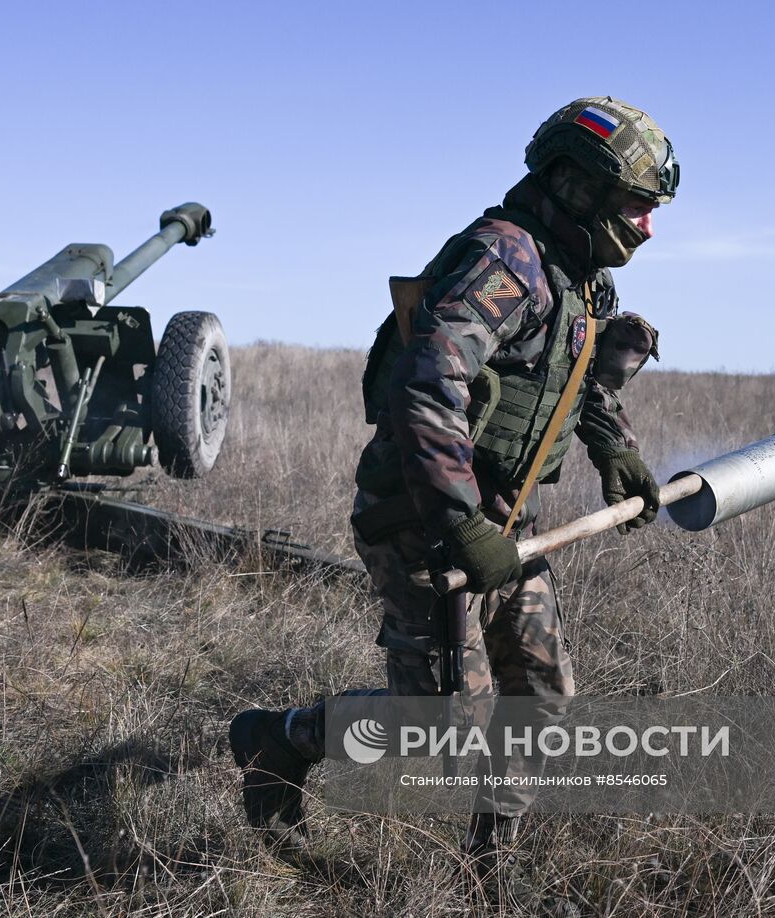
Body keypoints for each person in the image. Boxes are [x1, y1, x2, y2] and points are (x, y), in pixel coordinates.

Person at [229, 97, 677, 891]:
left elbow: (583, 380)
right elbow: (426, 383)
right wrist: (459, 524)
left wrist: (618, 453)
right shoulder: (504, 262)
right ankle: (282, 739)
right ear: (577, 185)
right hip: (424, 519)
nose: (645, 229)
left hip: (507, 523)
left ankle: (487, 871)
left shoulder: (580, 277)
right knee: (436, 731)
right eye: (636, 207)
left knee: (543, 703)